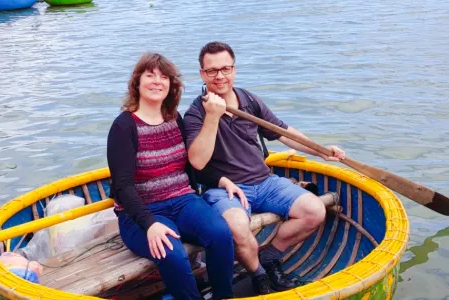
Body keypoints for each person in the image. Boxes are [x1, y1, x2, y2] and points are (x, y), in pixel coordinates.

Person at [183, 42, 346, 294]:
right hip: (225, 189)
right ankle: (260, 276)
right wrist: (213, 116)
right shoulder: (196, 113)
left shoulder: (249, 100)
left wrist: (321, 150)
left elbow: (283, 132)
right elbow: (197, 161)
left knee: (314, 211)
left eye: (225, 69)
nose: (220, 76)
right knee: (237, 227)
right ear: (202, 74)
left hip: (265, 182)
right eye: (212, 71)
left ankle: (268, 256)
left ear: (234, 70)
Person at [107, 53, 234, 300]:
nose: (157, 81)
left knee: (220, 234)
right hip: (141, 213)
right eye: (150, 75)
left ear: (171, 85)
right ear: (137, 83)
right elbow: (122, 186)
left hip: (183, 201)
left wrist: (221, 179)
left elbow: (192, 163)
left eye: (164, 77)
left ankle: (223, 296)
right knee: (172, 253)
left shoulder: (175, 118)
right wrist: (149, 224)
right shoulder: (124, 126)